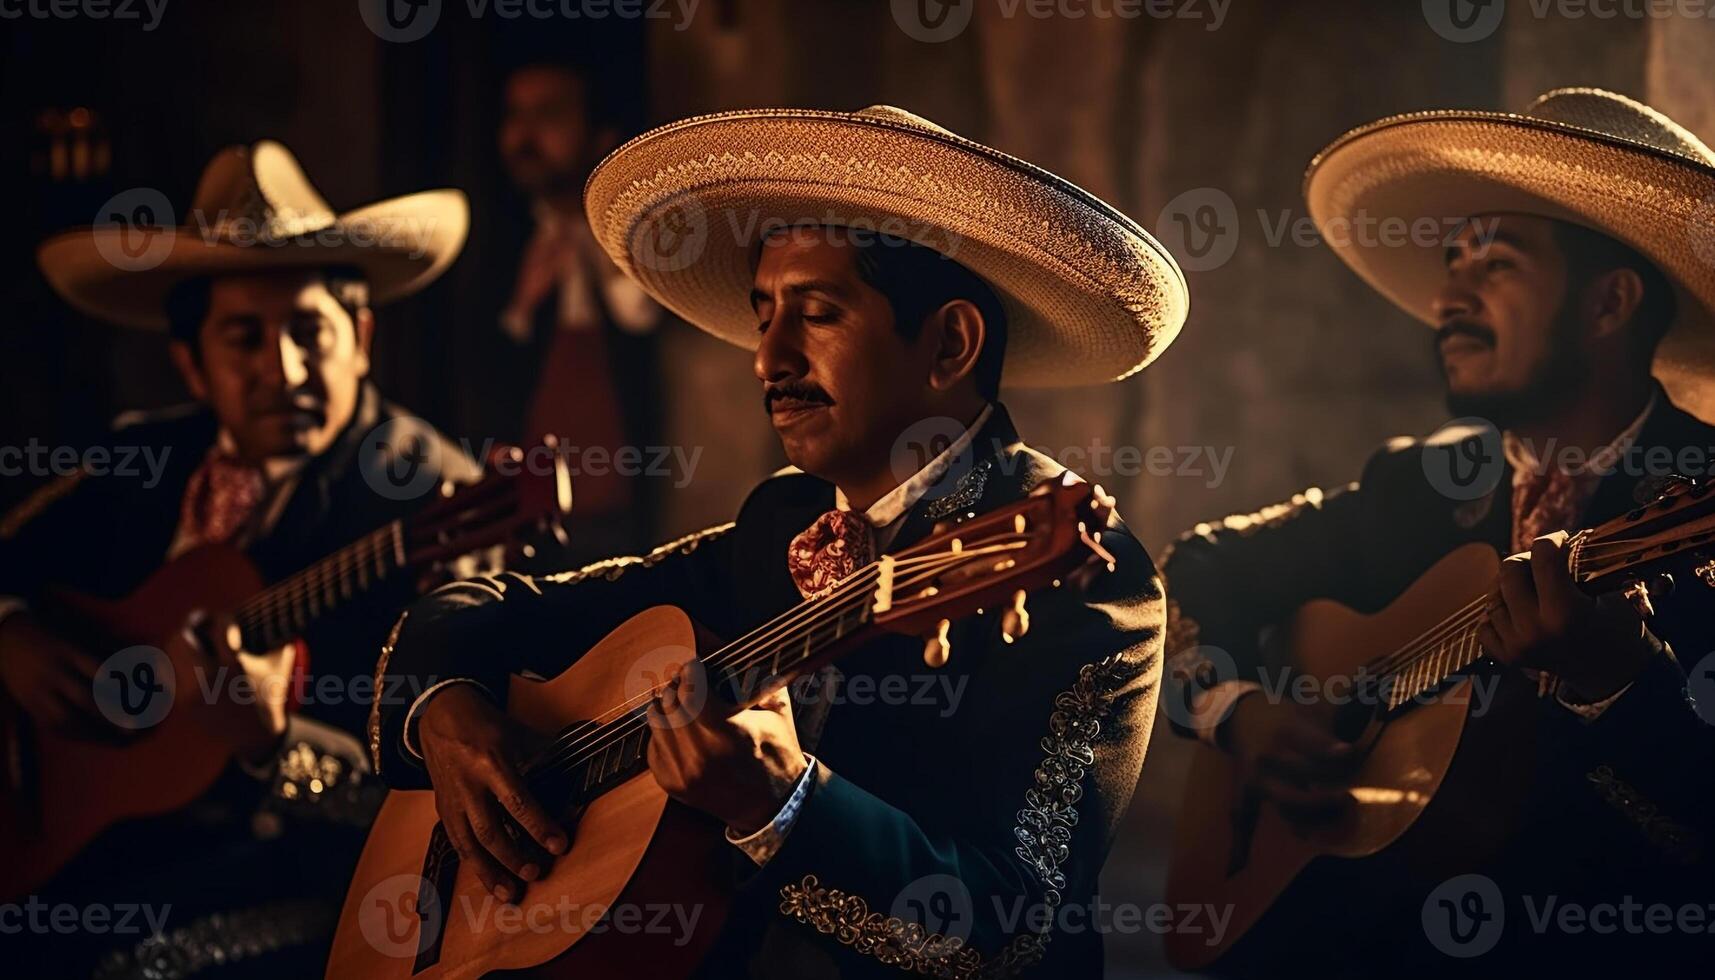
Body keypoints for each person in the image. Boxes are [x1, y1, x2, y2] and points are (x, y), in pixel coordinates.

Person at [371, 105, 1189, 978]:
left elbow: (1018, 937)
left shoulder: (1090, 588)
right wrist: (445, 707)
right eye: (764, 316)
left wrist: (785, 805)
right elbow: (488, 612)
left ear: (949, 343)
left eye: (818, 313)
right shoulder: (781, 521)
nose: (768, 360)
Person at [1164, 88, 1715, 975]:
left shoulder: (1697, 497)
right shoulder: (1414, 482)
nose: (1448, 291)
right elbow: (1191, 570)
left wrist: (1614, 682)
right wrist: (1239, 713)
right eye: (1452, 258)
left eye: (1494, 264)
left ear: (1609, 302)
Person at [3, 140, 480, 976]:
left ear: (361, 337)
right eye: (244, 339)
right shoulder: (141, 458)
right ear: (191, 363)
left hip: (313, 878)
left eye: (309, 332)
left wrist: (275, 745)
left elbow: (447, 800)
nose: (283, 369)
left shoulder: (431, 500)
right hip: (87, 842)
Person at [464, 57, 664, 562]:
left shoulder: (638, 236)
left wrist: (604, 255)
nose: (524, 135)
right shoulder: (494, 241)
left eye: (548, 115)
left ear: (599, 135)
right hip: (526, 523)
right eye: (516, 115)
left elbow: (647, 327)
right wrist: (521, 307)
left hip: (634, 516)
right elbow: (477, 379)